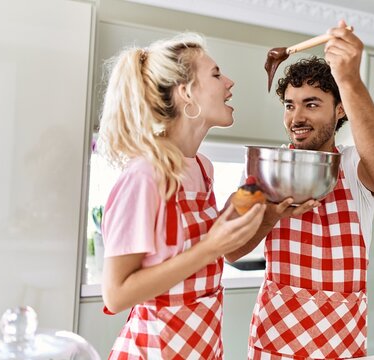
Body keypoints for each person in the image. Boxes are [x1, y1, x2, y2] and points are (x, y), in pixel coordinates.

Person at [226, 20, 374, 359]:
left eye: (312, 104)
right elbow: (230, 251)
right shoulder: (267, 170)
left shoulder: (351, 168)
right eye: (290, 105)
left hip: (341, 346)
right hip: (275, 344)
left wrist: (349, 78)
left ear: (339, 109)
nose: (297, 117)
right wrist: (272, 215)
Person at [97, 33, 266, 359]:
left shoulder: (203, 168)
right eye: (216, 74)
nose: (229, 82)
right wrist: (210, 248)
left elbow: (194, 249)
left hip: (202, 348)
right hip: (153, 351)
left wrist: (235, 212)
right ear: (186, 93)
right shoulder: (145, 176)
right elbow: (115, 295)